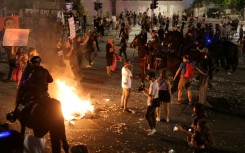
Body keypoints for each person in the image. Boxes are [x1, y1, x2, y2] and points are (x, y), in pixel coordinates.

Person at [7, 56, 53, 122]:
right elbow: (51, 80)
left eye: (32, 63)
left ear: (34, 64)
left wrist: (25, 83)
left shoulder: (33, 72)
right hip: (44, 93)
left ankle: (14, 115)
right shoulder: (45, 70)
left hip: (34, 93)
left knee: (21, 101)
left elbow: (28, 83)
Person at [143, 71, 159, 135]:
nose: (147, 77)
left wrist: (143, 92)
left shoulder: (153, 85)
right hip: (155, 101)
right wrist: (145, 89)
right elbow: (151, 92)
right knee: (152, 115)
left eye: (148, 76)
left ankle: (152, 129)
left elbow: (151, 96)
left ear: (151, 77)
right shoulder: (154, 82)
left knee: (147, 116)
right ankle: (154, 128)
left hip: (152, 102)